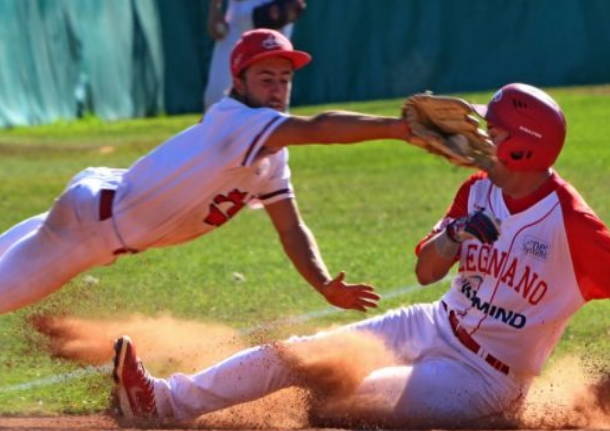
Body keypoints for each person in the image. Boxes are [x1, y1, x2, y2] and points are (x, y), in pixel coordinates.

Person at [112, 83, 610, 427]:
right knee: (300, 354)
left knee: (356, 397)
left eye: (493, 133)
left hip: (484, 379)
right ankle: (161, 401)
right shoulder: (477, 190)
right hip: (430, 323)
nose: (477, 138)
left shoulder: (573, 226)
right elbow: (425, 271)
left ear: (523, 150)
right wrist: (455, 234)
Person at [0, 28, 424, 315]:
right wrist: (396, 128)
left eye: (284, 79)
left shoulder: (270, 150)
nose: (277, 89)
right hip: (92, 231)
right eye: (265, 78)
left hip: (100, 200)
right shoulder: (239, 120)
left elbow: (291, 229)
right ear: (239, 81)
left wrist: (323, 283)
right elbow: (320, 129)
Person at [204, 0, 305, 110]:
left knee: (273, 97)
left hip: (271, 35)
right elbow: (217, 29)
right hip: (235, 33)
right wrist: (215, 7)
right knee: (216, 98)